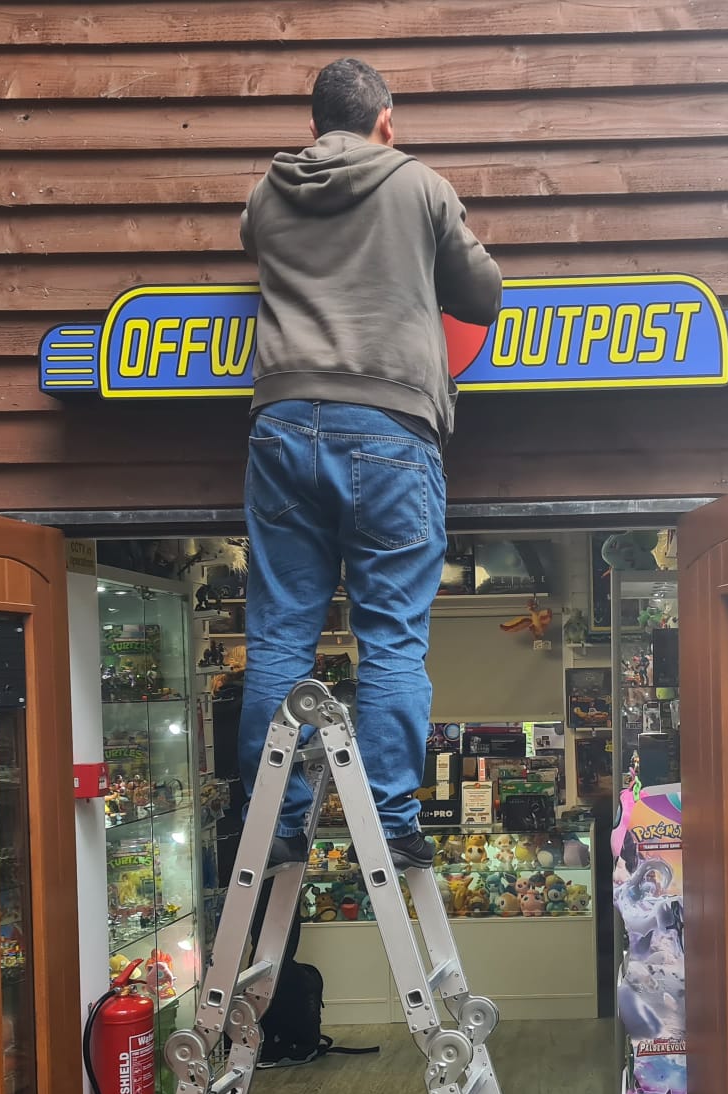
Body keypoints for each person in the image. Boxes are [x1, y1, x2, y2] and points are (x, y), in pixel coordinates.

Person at [237, 57, 502, 871]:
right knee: (390, 639)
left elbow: (256, 243)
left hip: (283, 421)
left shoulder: (268, 194)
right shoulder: (419, 186)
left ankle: (272, 825)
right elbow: (482, 294)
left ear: (315, 125)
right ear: (386, 119)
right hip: (389, 425)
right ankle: (388, 822)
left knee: (279, 634)